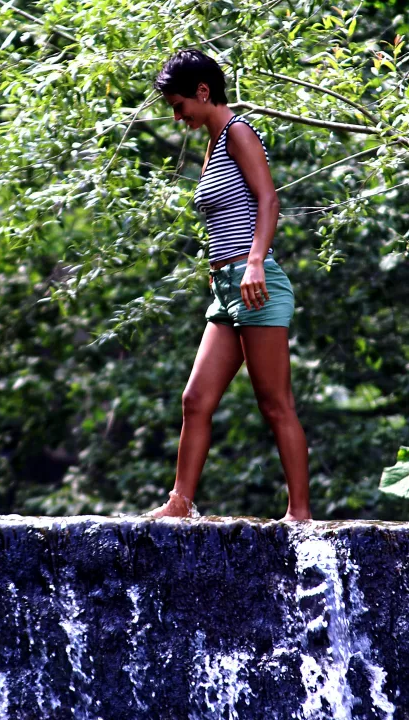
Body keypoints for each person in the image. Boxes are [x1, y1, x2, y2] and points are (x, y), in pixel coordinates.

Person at [146, 48, 312, 522]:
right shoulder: (213, 144)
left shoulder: (238, 132)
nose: (178, 117)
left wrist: (256, 261)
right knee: (195, 399)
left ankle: (299, 516)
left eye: (180, 106)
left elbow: (268, 200)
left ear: (203, 92)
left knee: (275, 403)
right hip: (227, 289)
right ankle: (180, 503)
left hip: (255, 283)